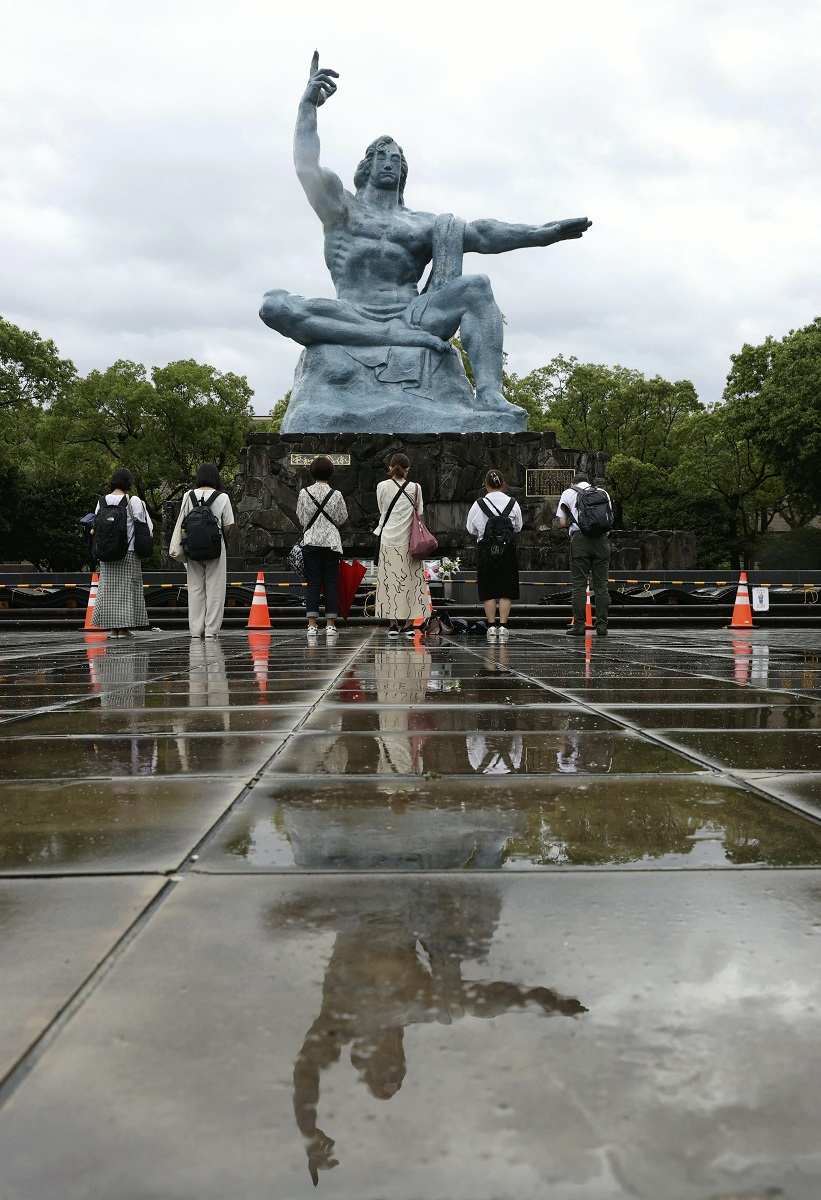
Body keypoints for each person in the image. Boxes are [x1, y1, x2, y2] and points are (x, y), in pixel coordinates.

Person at [169, 464, 235, 639]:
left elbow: (182, 521)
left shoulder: (187, 496)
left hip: (192, 546)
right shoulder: (223, 497)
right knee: (215, 589)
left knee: (195, 588)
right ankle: (211, 630)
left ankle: (196, 631)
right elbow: (229, 525)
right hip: (215, 547)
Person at [90, 467, 152, 639]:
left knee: (108, 590)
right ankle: (124, 629)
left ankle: (113, 629)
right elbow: (145, 526)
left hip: (106, 553)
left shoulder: (102, 501)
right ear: (128, 483)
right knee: (126, 590)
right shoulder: (133, 501)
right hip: (128, 552)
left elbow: (96, 526)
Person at [374, 453, 429, 638]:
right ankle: (409, 625)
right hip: (410, 542)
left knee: (390, 583)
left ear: (390, 468)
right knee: (411, 582)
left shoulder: (381, 486)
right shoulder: (416, 488)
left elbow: (382, 510)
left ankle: (392, 625)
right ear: (408, 469)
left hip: (388, 539)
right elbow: (419, 514)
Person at [466, 469, 523, 641]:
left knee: (488, 588)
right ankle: (504, 626)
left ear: (485, 484)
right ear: (503, 484)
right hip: (507, 551)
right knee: (506, 589)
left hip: (486, 551)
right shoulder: (513, 503)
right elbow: (518, 527)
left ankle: (491, 626)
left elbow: (470, 528)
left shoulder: (479, 504)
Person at [296, 456, 348, 641]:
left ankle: (311, 624)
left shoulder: (304, 493)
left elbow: (301, 518)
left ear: (312, 472)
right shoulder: (337, 494)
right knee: (331, 583)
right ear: (331, 473)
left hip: (311, 542)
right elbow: (342, 518)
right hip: (331, 543)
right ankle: (331, 625)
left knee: (313, 583)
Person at [557, 470, 613, 637]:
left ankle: (579, 626)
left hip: (580, 541)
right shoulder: (602, 492)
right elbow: (609, 519)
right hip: (601, 542)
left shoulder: (568, 493)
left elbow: (561, 522)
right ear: (588, 482)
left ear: (573, 483)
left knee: (579, 585)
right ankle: (602, 627)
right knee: (602, 585)